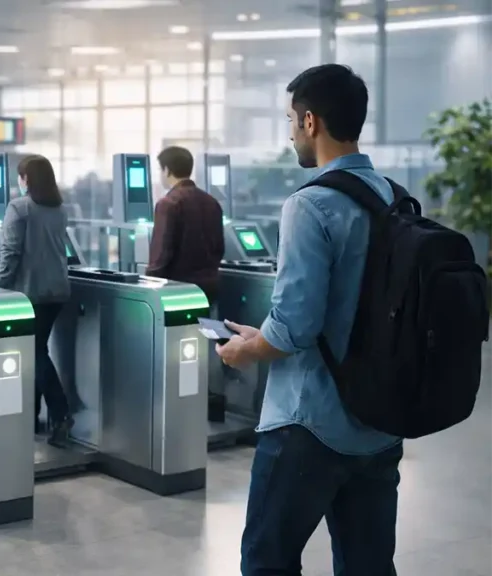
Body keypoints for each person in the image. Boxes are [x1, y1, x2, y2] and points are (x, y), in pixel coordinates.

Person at [215, 64, 402, 576]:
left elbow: (294, 328)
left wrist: (247, 349)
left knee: (266, 561)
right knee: (368, 566)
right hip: (382, 420)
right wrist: (268, 335)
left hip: (310, 423)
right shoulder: (394, 198)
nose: (291, 132)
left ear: (311, 121)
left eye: (290, 120)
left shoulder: (310, 205)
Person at [0, 155, 72, 445]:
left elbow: (11, 251)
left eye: (21, 175)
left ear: (26, 179)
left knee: (33, 352)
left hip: (30, 292)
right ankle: (33, 416)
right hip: (57, 290)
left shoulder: (19, 207)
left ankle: (61, 413)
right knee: (38, 349)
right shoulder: (59, 209)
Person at [145, 146, 225, 303]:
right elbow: (219, 249)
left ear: (167, 170)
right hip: (208, 289)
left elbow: (161, 254)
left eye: (160, 170)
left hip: (177, 290)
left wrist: (149, 285)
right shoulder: (212, 202)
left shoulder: (168, 203)